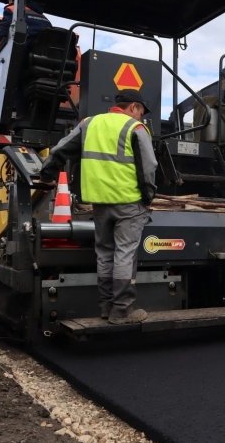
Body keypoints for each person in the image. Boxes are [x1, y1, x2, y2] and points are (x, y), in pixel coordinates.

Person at [38, 89, 157, 324]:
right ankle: (122, 311)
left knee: (104, 253)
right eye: (141, 112)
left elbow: (61, 149)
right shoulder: (135, 128)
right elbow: (149, 167)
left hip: (100, 202)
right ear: (133, 107)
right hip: (128, 202)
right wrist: (148, 196)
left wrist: (46, 174)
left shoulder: (89, 124)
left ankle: (105, 307)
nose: (141, 117)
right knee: (125, 253)